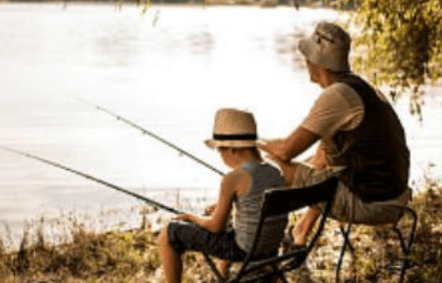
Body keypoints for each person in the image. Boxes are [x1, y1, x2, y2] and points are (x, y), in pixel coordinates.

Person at [258, 21, 411, 246]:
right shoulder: (360, 88)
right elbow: (322, 160)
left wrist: (250, 142)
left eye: (307, 56)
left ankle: (259, 249)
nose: (305, 62)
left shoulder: (338, 96)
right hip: (393, 195)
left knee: (266, 168)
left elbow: (286, 150)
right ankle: (300, 233)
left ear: (317, 62)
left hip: (373, 202)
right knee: (324, 154)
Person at [157, 108, 288, 283]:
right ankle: (224, 272)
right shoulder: (276, 171)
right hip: (270, 248)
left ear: (233, 149)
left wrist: (191, 217)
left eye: (220, 150)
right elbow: (255, 205)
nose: (220, 155)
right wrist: (223, 207)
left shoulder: (232, 178)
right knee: (224, 220)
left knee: (170, 232)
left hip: (242, 250)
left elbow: (216, 227)